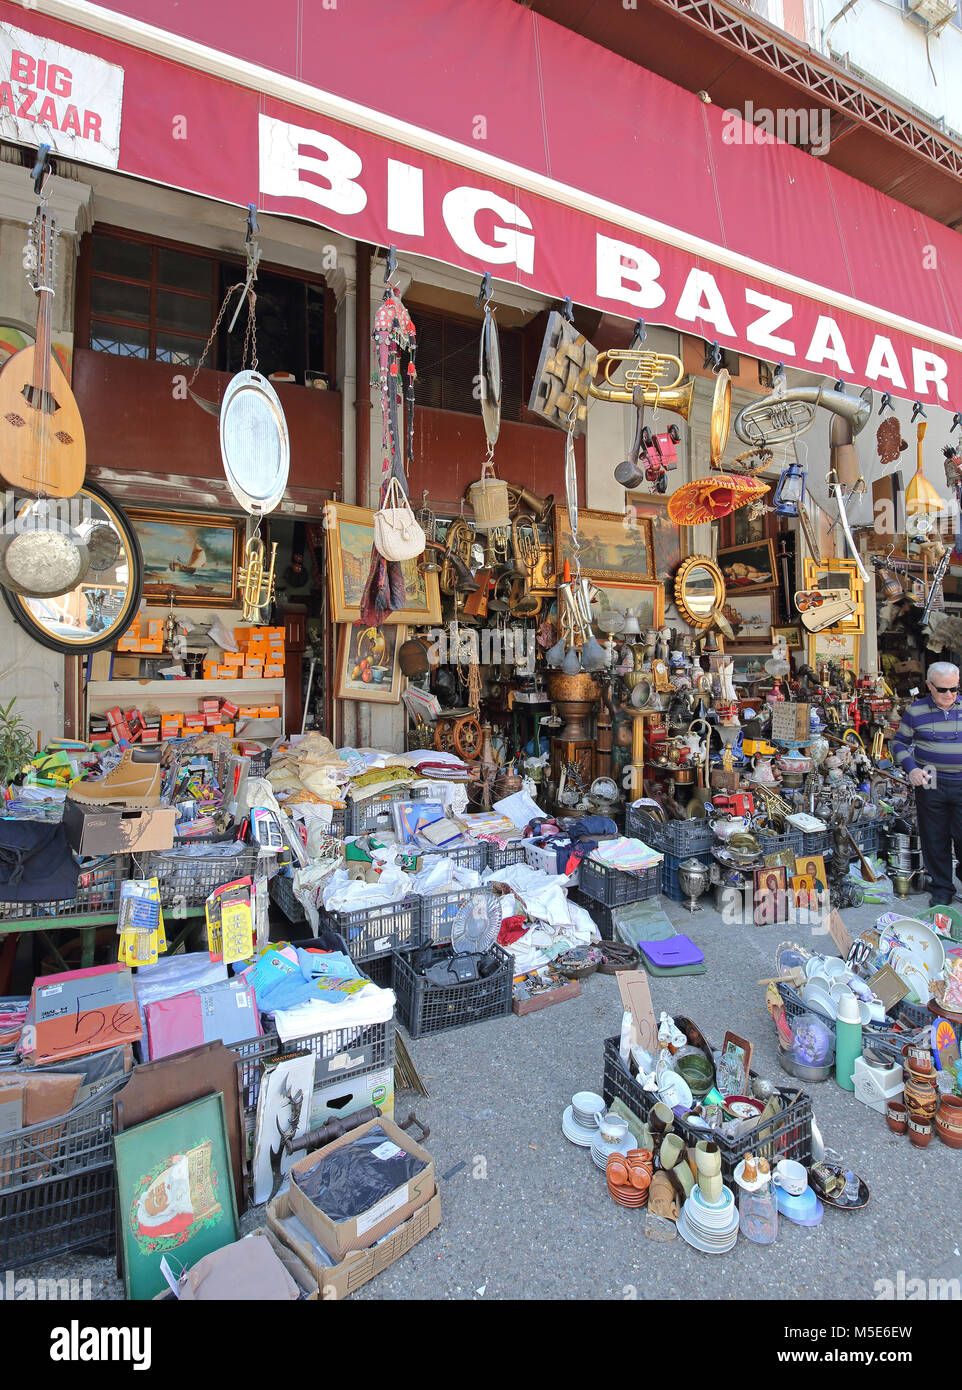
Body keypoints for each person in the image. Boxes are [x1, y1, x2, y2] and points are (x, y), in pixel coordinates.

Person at [893, 661, 962, 907]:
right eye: (942, 689)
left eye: (954, 689)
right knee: (935, 838)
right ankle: (942, 888)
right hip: (930, 779)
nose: (949, 695)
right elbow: (899, 743)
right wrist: (911, 769)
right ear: (929, 685)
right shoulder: (916, 711)